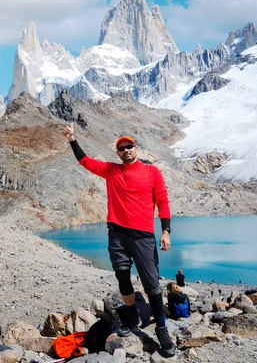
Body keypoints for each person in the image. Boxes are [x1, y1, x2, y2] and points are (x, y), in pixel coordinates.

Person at [62, 123, 176, 358]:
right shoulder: (111, 171)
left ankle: (162, 329)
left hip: (143, 235)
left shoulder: (151, 172)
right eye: (121, 148)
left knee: (152, 283)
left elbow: (163, 201)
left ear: (136, 148)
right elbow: (85, 162)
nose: (126, 150)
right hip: (117, 233)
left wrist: (166, 231)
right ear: (118, 153)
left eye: (129, 146)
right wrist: (73, 140)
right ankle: (131, 314)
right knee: (122, 274)